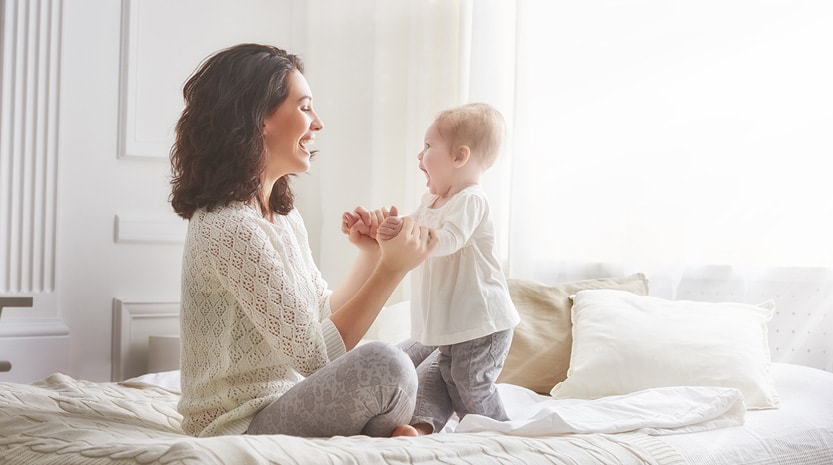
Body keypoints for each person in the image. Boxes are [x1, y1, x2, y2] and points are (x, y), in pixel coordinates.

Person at [169, 43, 438, 438]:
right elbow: (316, 356)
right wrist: (391, 269)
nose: (318, 123)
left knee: (431, 347)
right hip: (238, 423)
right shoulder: (229, 227)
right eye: (305, 106)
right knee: (387, 364)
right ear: (260, 117)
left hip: (285, 400)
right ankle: (393, 430)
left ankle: (391, 430)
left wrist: (369, 256)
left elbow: (318, 316)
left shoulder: (282, 217)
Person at [343, 102, 520, 434]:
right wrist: (380, 229)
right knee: (445, 379)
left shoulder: (472, 199)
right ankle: (425, 426)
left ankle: (500, 434)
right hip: (455, 325)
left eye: (428, 146)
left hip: (483, 324)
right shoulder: (431, 203)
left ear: (459, 157)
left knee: (469, 383)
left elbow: (450, 239)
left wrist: (414, 236)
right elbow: (408, 232)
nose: (419, 155)